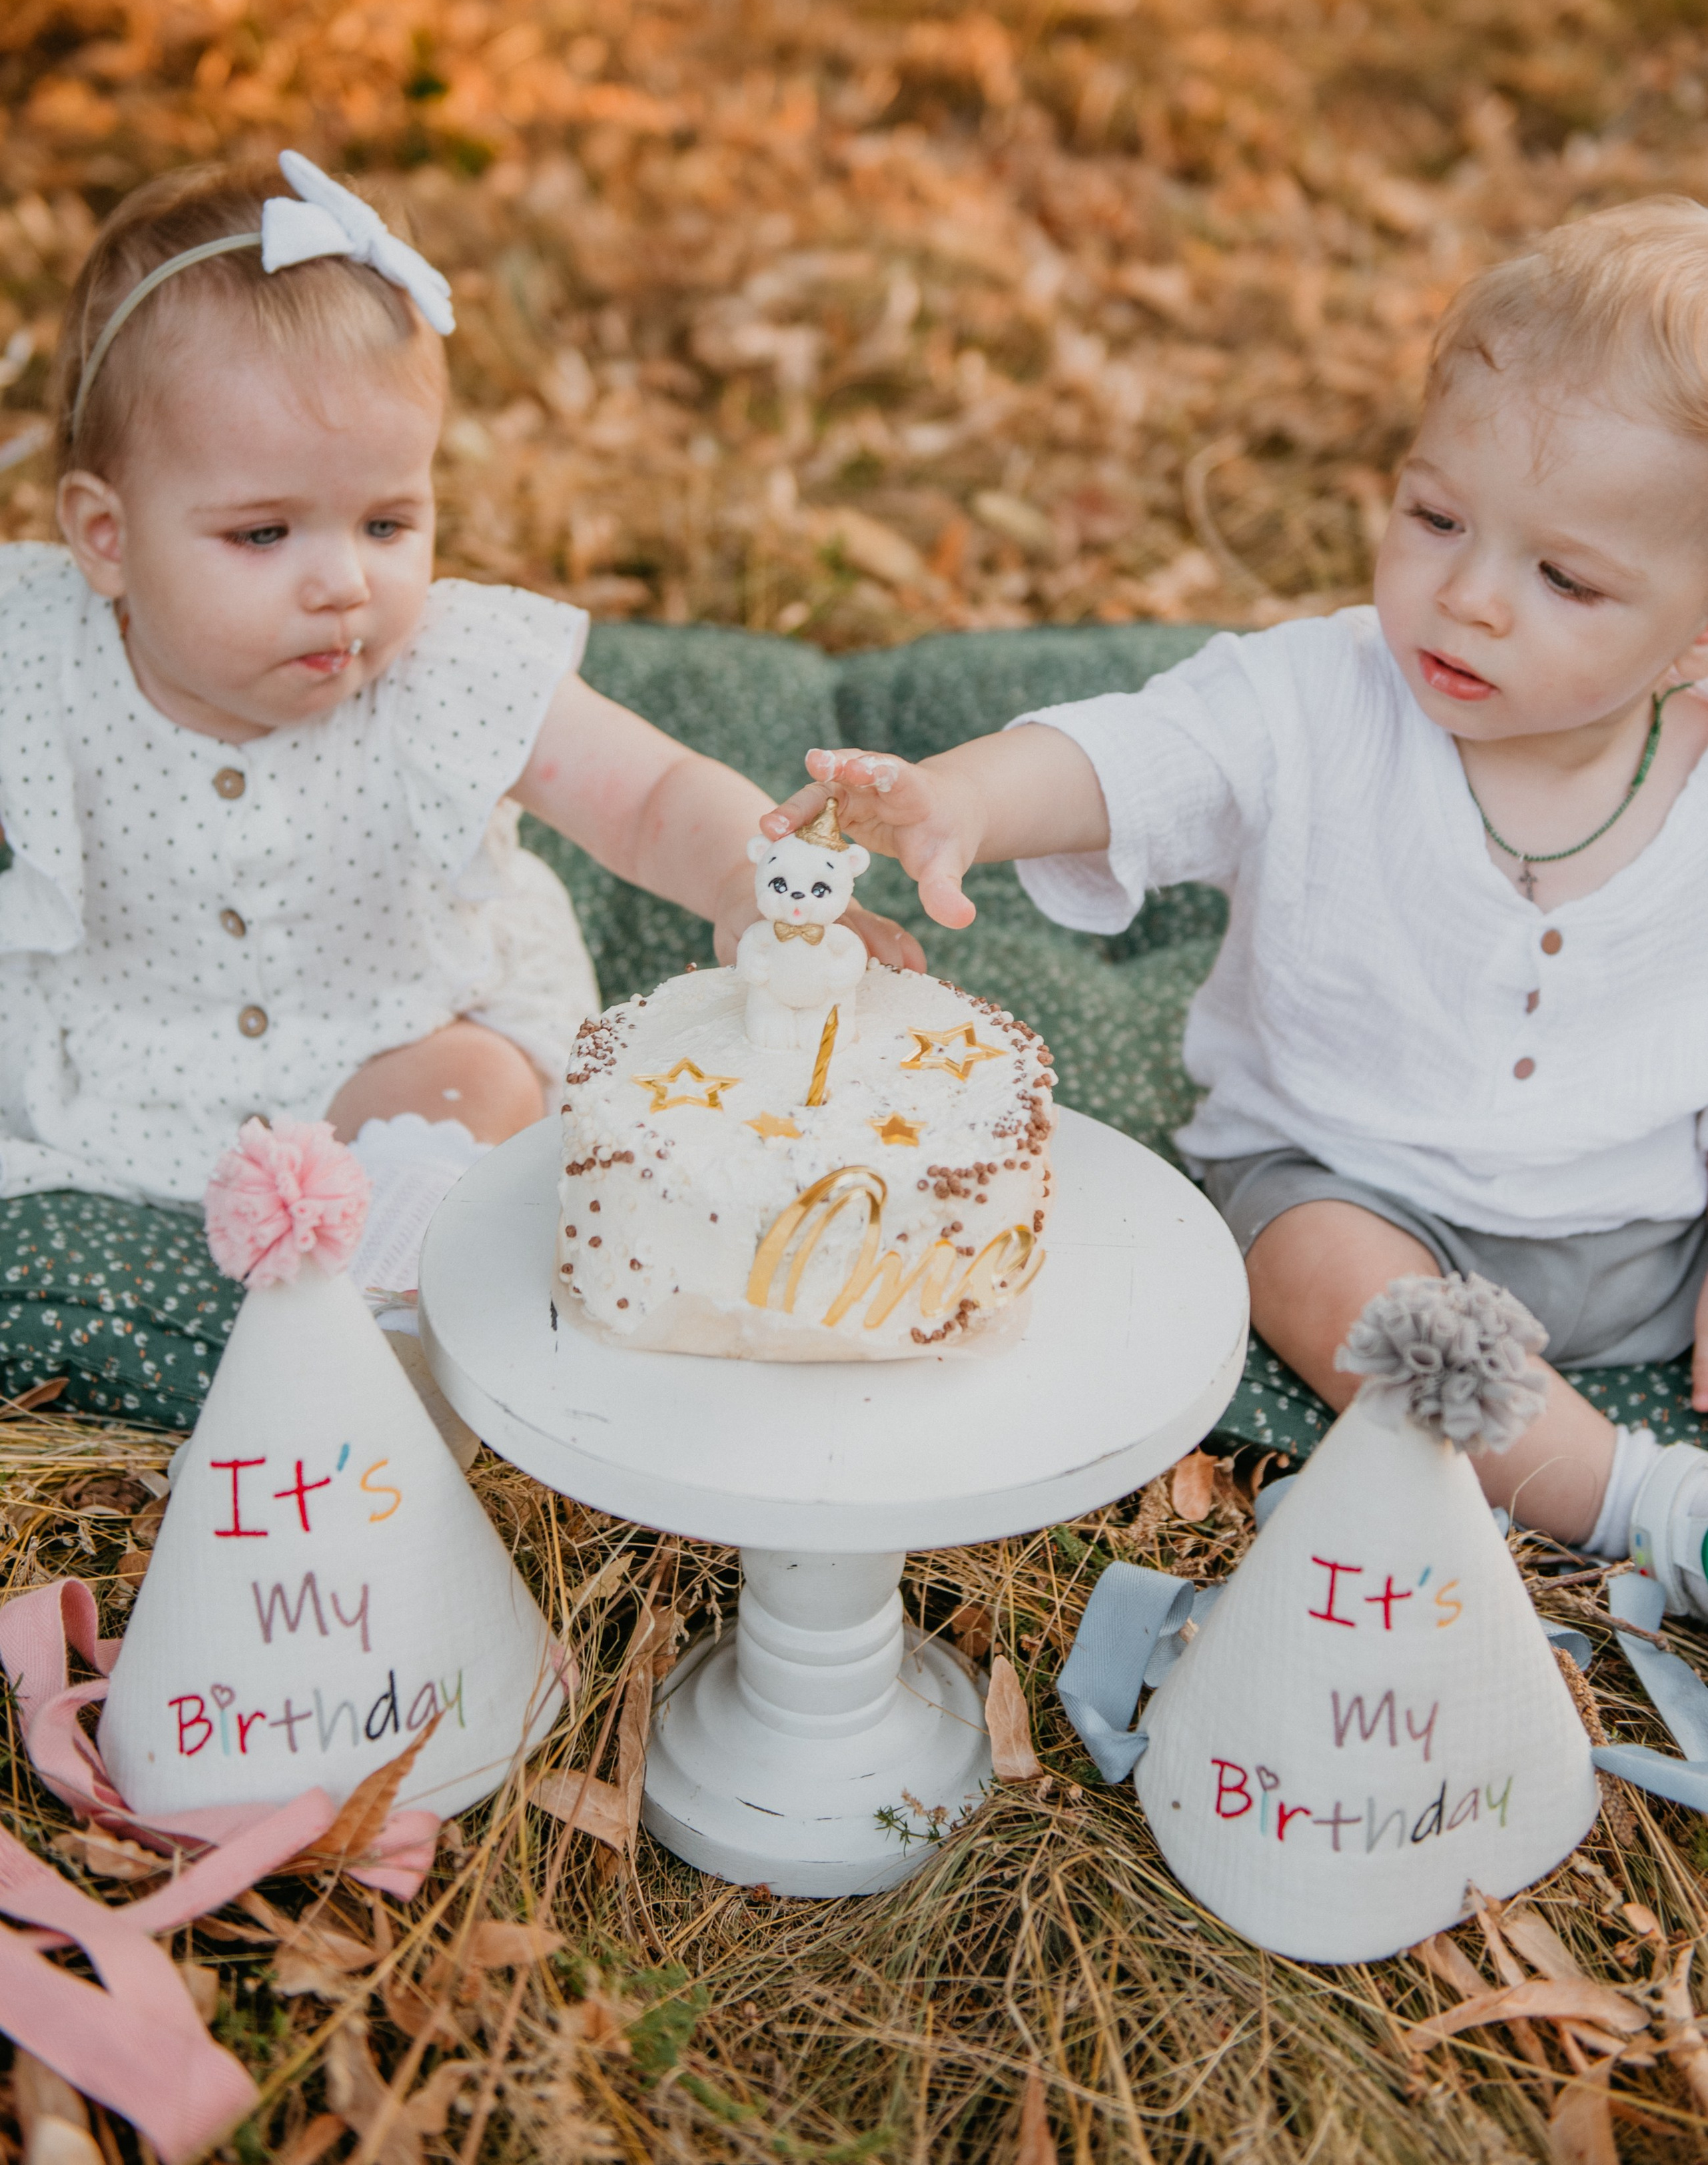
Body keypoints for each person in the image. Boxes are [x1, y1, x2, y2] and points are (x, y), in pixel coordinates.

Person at [767, 197, 1708, 1619]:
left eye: (1562, 577)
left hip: (1649, 1220)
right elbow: (1135, 757)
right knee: (1343, 1294)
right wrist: (961, 796)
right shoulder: (1316, 702)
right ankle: (1641, 1503)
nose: (1463, 598)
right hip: (1347, 1177)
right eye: (1432, 517)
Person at [0, 152, 919, 1419]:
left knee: (476, 1087)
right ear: (106, 537)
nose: (345, 583)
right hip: (119, 1044)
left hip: (394, 1030)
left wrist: (745, 885)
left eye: (387, 523)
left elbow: (647, 795)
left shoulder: (446, 665)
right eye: (265, 534)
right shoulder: (34, 647)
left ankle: (390, 1345)